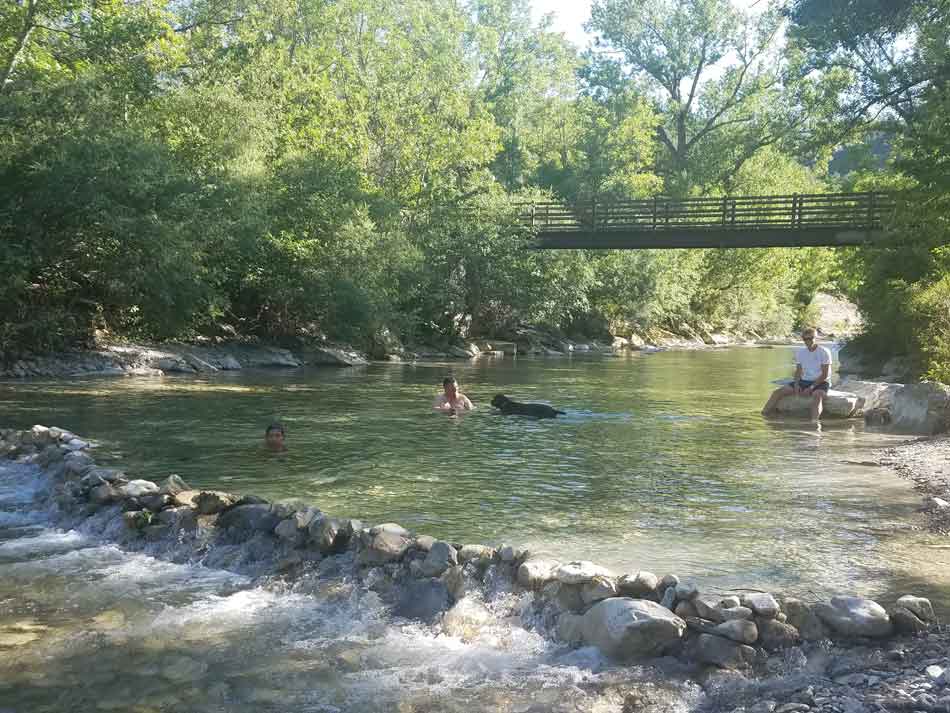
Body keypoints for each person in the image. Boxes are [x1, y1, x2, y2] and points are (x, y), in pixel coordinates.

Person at [762, 327, 833, 423]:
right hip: (804, 381)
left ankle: (814, 423)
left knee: (817, 396)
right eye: (805, 339)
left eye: (810, 338)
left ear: (816, 338)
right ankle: (764, 416)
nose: (808, 341)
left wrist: (811, 388)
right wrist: (796, 385)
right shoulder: (801, 352)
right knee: (777, 392)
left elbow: (825, 374)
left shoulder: (824, 352)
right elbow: (798, 371)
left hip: (821, 382)